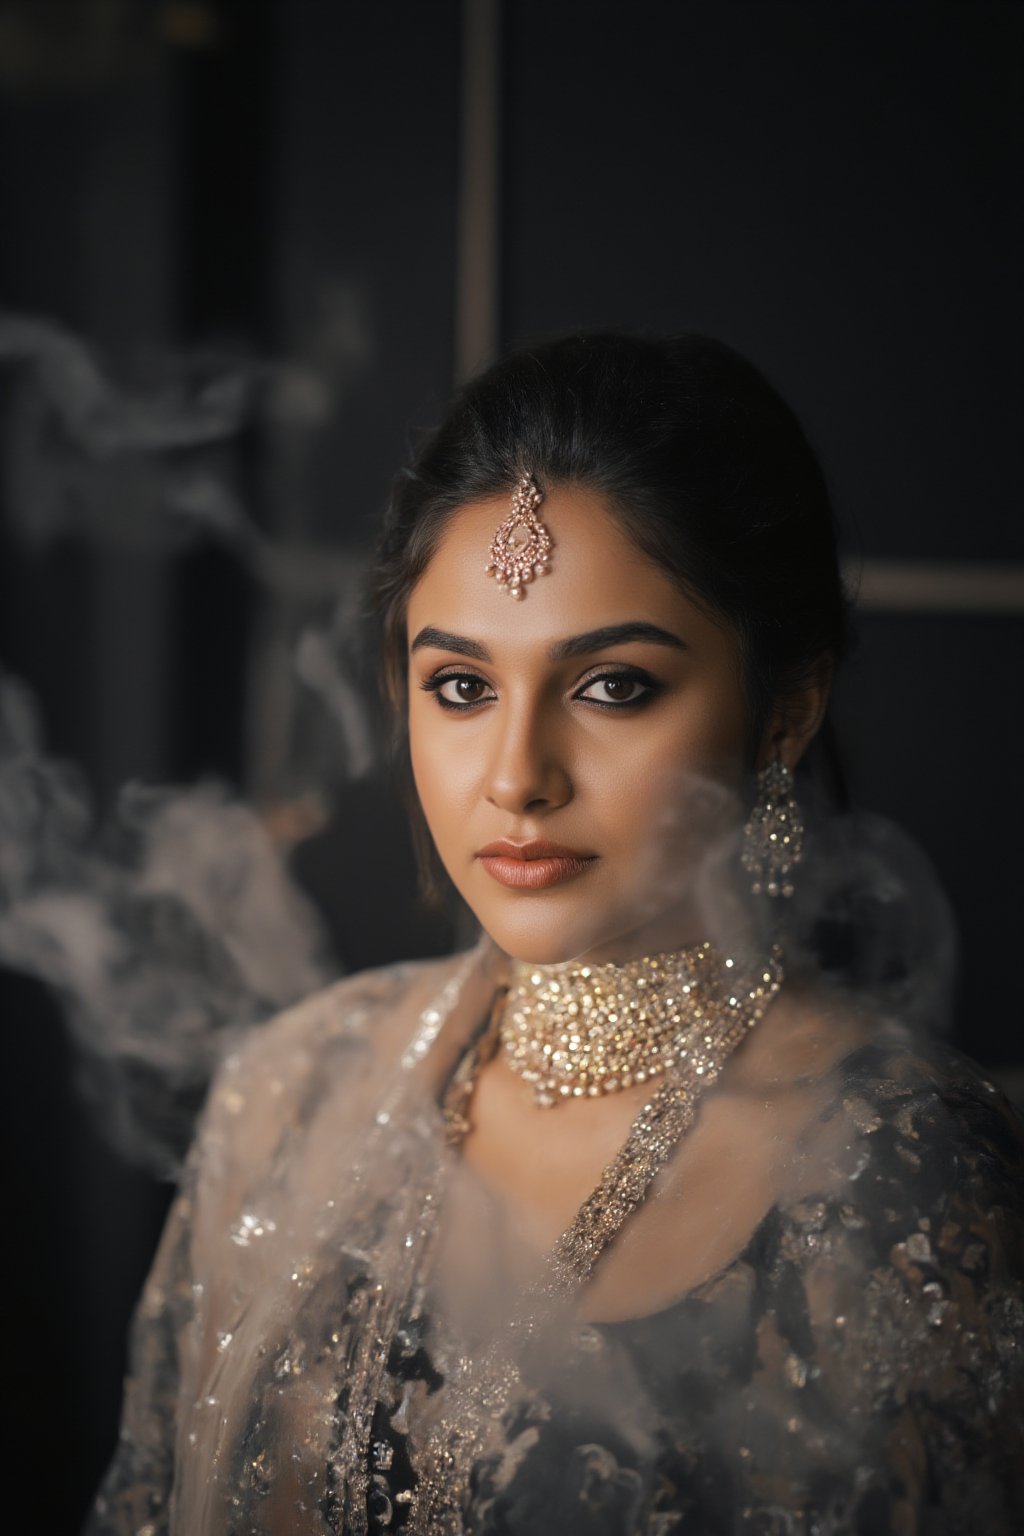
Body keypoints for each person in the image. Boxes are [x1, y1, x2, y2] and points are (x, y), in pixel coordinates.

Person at [85, 333, 1024, 1535]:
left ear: (785, 709)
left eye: (612, 686)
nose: (516, 775)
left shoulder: (900, 1178)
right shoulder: (287, 1094)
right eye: (462, 688)